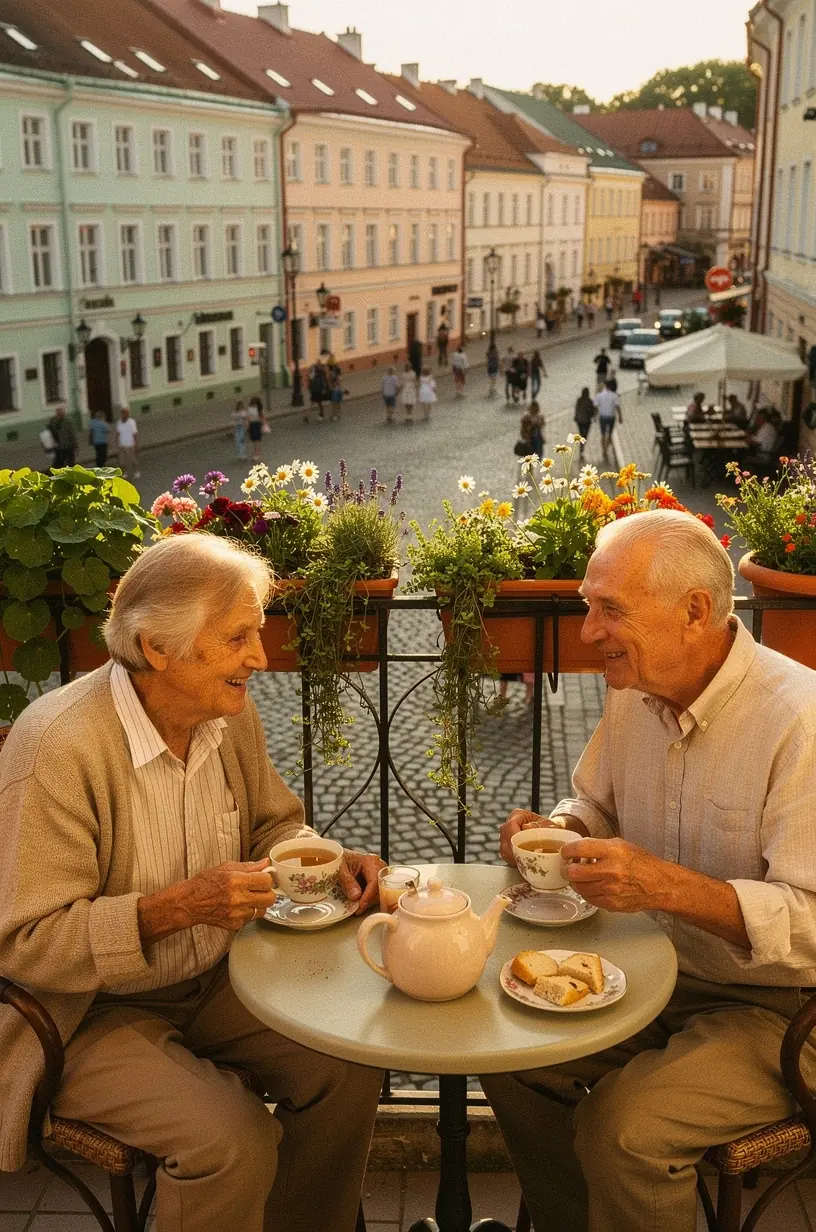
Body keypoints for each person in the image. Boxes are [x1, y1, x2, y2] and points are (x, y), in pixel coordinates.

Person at [0, 535, 385, 1232]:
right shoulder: (58, 746)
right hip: (83, 1015)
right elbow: (24, 943)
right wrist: (168, 910)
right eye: (238, 637)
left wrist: (326, 858)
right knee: (229, 1140)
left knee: (349, 1067)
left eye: (258, 634)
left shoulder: (222, 713)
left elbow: (275, 826)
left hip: (213, 980)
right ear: (158, 649)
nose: (260, 660)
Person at [485, 510, 816, 1232]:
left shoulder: (801, 721)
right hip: (653, 975)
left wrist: (662, 886)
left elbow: (812, 924)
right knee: (511, 1054)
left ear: (694, 612)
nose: (587, 633)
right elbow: (594, 803)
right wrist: (560, 830)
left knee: (625, 1129)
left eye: (610, 610)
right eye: (587, 606)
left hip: (786, 1012)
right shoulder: (635, 686)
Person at [593, 381, 621, 462]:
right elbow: (617, 406)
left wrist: (595, 416)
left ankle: (604, 450)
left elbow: (595, 406)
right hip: (611, 417)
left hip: (602, 417)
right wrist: (620, 417)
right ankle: (606, 447)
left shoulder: (599, 395)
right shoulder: (614, 396)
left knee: (603, 434)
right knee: (609, 434)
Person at [115, 407, 138, 480]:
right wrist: (116, 442)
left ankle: (136, 471)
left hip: (130, 444)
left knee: (132, 459)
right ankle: (125, 472)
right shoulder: (119, 422)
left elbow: (134, 433)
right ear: (122, 414)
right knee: (122, 461)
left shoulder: (132, 422)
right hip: (122, 444)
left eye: (127, 413)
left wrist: (136, 443)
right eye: (125, 413)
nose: (126, 415)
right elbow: (118, 433)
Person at [574, 387, 596, 459]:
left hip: (579, 420)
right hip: (587, 421)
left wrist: (576, 416)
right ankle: (582, 448)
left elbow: (577, 409)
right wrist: (594, 417)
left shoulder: (579, 400)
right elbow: (593, 411)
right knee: (585, 434)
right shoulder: (590, 401)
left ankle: (581, 447)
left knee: (581, 433)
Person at [246, 396, 264, 463]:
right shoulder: (259, 409)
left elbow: (248, 418)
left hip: (253, 425)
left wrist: (247, 426)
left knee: (256, 442)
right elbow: (262, 417)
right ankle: (257, 455)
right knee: (257, 442)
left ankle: (256, 456)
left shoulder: (250, 409)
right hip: (256, 425)